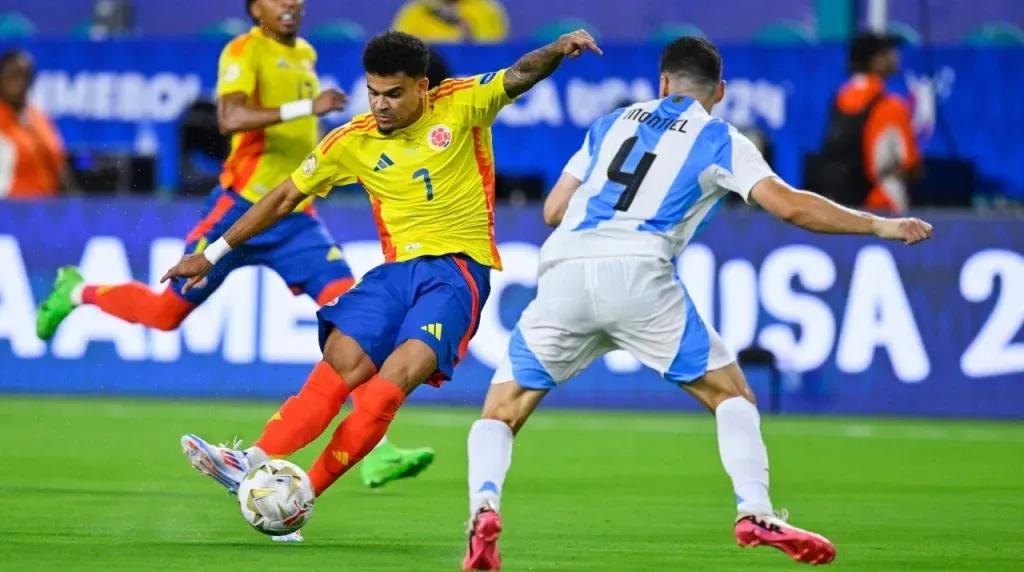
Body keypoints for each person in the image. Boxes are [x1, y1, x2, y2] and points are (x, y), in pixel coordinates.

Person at [461, 36, 933, 570]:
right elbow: (791, 208)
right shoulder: (719, 138)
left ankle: (483, 506)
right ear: (722, 92)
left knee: (501, 410)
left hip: (565, 269)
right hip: (639, 271)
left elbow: (552, 210)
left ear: (662, 83)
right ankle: (754, 509)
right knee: (732, 396)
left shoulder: (611, 123)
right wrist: (880, 225)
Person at [163, 28, 600, 533]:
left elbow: (520, 75)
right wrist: (212, 253)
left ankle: (302, 492)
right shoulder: (352, 140)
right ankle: (253, 459)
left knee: (390, 384)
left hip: (456, 273)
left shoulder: (462, 104)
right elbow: (284, 196)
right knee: (341, 362)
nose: (381, 104)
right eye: (373, 91)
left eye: (393, 93)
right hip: (394, 274)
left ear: (422, 86)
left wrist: (554, 50)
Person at [33, 0, 435, 525]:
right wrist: (304, 110)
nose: (288, 3)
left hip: (295, 218)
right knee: (164, 314)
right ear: (255, 8)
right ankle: (78, 290)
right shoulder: (243, 51)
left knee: (360, 325)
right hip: (242, 206)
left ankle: (373, 449)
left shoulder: (307, 53)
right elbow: (229, 117)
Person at [816, 31, 922, 213]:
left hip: (841, 207)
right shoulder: (891, 106)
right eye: (889, 52)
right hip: (881, 207)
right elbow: (910, 164)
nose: (896, 56)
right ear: (875, 61)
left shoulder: (840, 98)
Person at [0, 49, 76, 198]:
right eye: (12, 74)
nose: (19, 80)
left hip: (46, 212)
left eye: (25, 74)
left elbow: (59, 167)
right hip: (8, 212)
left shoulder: (39, 118)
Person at [393, 0, 508, 44]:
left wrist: (469, 37)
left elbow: (494, 51)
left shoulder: (487, 10)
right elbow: (399, 47)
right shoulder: (415, 11)